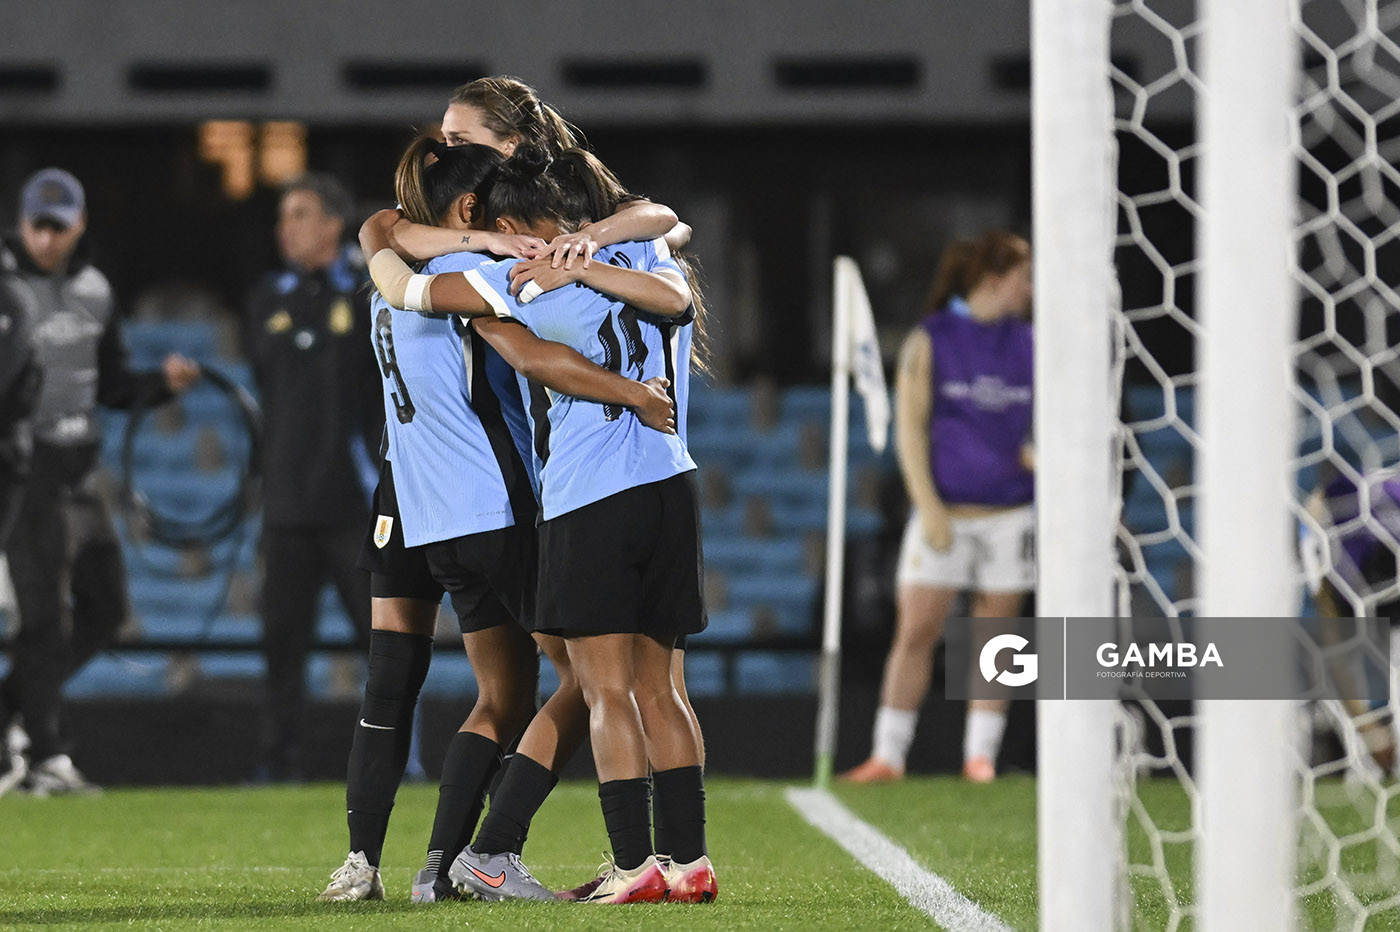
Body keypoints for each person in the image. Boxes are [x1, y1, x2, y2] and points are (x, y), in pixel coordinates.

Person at [319, 139, 682, 903]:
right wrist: (632, 393)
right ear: (472, 211)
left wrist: (581, 245)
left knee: (470, 692)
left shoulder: (397, 259)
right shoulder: (480, 277)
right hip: (499, 505)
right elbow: (537, 357)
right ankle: (484, 850)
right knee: (591, 677)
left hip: (417, 511)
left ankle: (395, 866)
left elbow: (383, 245)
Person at [0, 167, 200, 796]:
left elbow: (112, 383)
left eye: (59, 226)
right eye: (38, 224)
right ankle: (46, 755)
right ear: (21, 221)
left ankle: (13, 723)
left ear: (80, 224)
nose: (47, 237)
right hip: (23, 471)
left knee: (106, 609)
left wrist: (158, 386)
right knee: (43, 623)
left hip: (79, 471)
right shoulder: (4, 290)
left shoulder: (94, 290)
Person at [843, 230, 1034, 785]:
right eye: (1024, 276)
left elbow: (1035, 429)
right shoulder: (933, 339)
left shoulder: (1030, 343)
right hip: (944, 512)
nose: (1031, 288)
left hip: (1012, 514)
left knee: (996, 638)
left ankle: (981, 758)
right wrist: (928, 508)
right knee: (917, 629)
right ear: (995, 280)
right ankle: (889, 754)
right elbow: (911, 428)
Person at [244, 173, 381, 781]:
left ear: (333, 223)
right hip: (286, 507)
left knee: (384, 647)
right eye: (283, 215)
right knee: (281, 647)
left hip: (352, 502)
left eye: (300, 213)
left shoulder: (370, 291)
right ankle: (277, 765)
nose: (285, 227)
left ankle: (396, 761)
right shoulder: (266, 298)